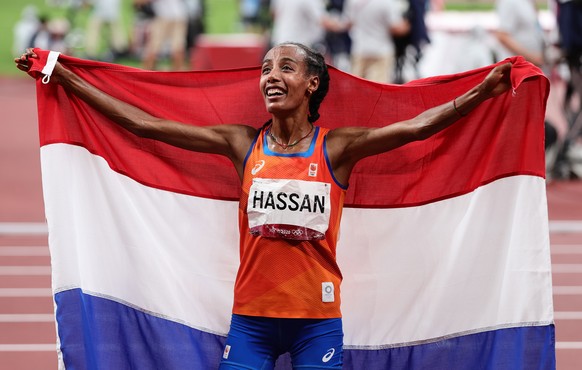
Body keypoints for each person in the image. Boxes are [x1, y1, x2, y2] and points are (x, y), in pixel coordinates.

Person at [15, 42, 511, 369]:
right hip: (251, 320)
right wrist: (62, 76)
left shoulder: (336, 148)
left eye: (286, 68)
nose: (271, 76)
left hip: (317, 321)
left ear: (311, 84)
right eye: (266, 68)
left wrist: (482, 93)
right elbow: (144, 125)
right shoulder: (241, 145)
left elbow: (418, 128)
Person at [343, 0, 411, 83]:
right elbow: (396, 28)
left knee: (357, 87)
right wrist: (408, 26)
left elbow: (348, 23)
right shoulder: (387, 2)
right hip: (381, 51)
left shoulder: (352, 2)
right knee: (378, 89)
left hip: (360, 49)